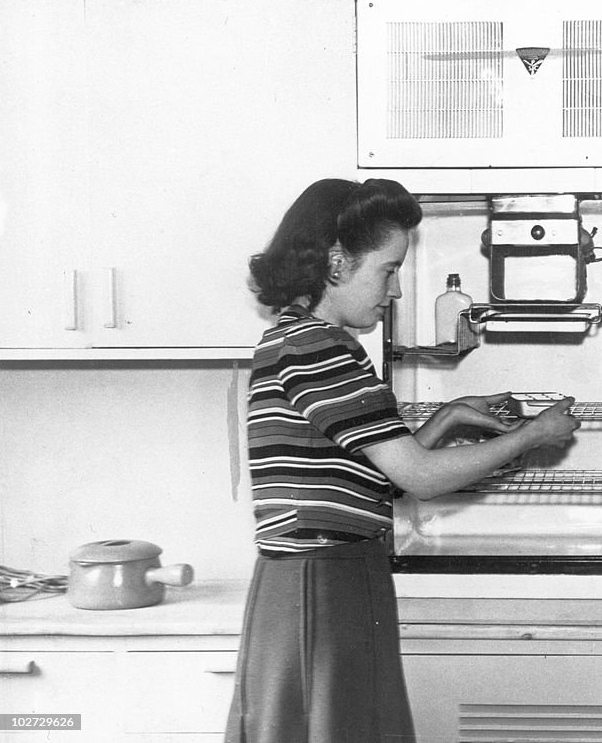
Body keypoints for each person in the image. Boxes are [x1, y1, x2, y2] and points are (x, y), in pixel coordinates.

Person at [225, 178, 580, 743]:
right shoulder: (319, 347)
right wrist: (531, 436)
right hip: (324, 591)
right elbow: (417, 477)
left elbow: (368, 480)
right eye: (388, 271)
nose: (392, 292)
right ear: (337, 264)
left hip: (312, 587)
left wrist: (449, 417)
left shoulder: (290, 340)